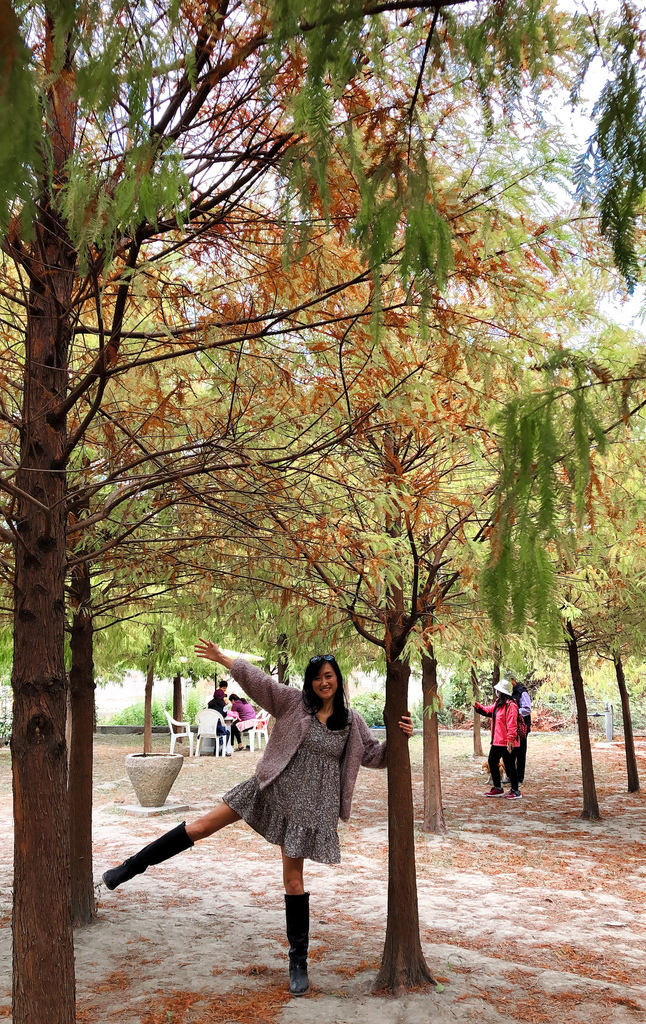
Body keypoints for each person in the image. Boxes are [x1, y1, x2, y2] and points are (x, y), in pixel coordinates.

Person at [101, 640, 413, 997]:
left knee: (293, 882)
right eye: (317, 678)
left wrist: (401, 738)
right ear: (310, 682)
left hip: (307, 810)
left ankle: (298, 963)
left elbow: (375, 755)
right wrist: (225, 659)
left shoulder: (351, 722)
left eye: (329, 676)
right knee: (201, 826)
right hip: (269, 789)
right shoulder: (293, 702)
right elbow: (259, 681)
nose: (323, 683)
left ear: (338, 680)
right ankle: (128, 868)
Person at [474, 678, 522, 800]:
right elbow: (488, 711)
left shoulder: (511, 705)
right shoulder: (498, 704)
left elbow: (512, 723)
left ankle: (515, 791)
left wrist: (510, 739)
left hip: (508, 742)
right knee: (492, 761)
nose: (496, 691)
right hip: (497, 741)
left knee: (509, 766)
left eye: (498, 690)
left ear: (502, 691)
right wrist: (477, 706)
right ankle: (498, 788)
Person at [511, 676, 531, 787]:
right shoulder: (510, 693)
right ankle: (511, 775)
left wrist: (515, 712)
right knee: (511, 752)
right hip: (512, 727)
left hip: (521, 728)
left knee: (521, 753)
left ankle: (519, 777)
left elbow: (527, 709)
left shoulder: (522, 693)